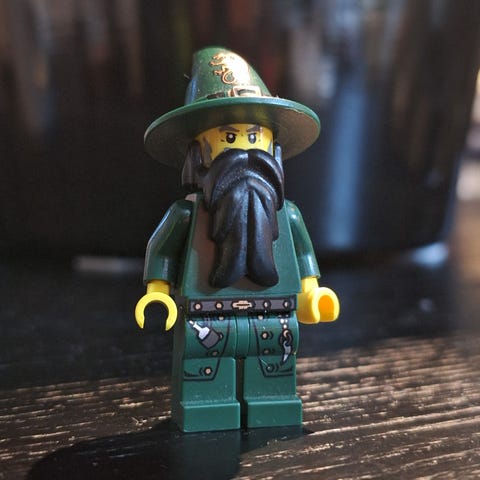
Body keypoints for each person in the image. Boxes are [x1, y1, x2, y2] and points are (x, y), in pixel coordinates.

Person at [135, 47, 339, 432]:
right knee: (204, 369)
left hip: (276, 314)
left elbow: (303, 257)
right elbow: (163, 250)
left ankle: (271, 403)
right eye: (229, 138)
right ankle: (206, 407)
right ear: (199, 153)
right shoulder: (186, 214)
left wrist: (312, 293)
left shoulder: (288, 214)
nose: (245, 150)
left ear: (274, 149)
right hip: (204, 316)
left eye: (254, 137)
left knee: (274, 367)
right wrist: (158, 292)